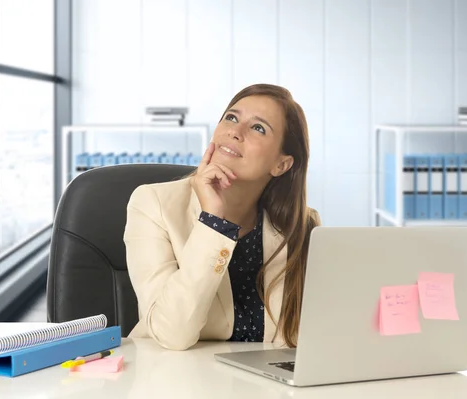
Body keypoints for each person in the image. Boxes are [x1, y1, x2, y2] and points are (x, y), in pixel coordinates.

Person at [124, 83, 320, 351]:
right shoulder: (152, 204)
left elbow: (308, 334)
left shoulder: (302, 225)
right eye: (231, 117)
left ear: (281, 164)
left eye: (258, 127)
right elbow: (172, 333)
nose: (235, 132)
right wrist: (213, 222)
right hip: (173, 378)